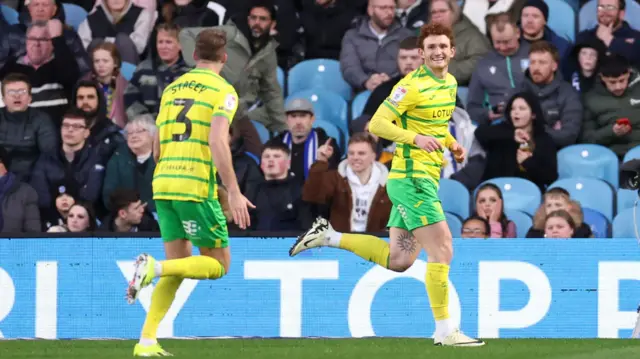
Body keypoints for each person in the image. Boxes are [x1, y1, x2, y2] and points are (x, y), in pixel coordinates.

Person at [289, 22, 484, 347]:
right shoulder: (411, 86)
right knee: (443, 249)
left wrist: (451, 143)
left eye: (442, 46)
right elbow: (377, 123)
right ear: (421, 54)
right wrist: (414, 138)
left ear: (452, 51)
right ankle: (445, 330)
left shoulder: (449, 83)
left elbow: (435, 123)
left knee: (400, 260)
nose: (437, 52)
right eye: (430, 47)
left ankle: (329, 236)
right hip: (411, 179)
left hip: (424, 178)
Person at [125, 28, 254, 357]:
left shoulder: (171, 87)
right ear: (224, 59)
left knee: (179, 264)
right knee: (218, 265)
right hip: (194, 185)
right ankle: (153, 269)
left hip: (163, 181)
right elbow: (216, 141)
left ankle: (147, 341)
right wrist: (234, 191)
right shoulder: (223, 91)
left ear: (194, 56)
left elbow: (156, 145)